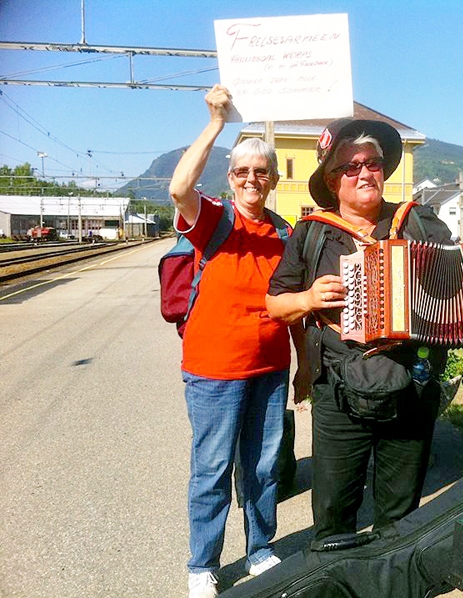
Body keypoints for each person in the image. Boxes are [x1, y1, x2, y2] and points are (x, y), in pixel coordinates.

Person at [266, 118, 463, 542]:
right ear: (331, 181)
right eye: (350, 166)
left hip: (411, 388)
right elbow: (275, 304)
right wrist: (308, 299)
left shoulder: (418, 221)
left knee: (400, 513)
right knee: (333, 508)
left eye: (373, 163)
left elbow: (461, 283)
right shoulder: (312, 233)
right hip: (339, 392)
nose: (365, 172)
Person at [169, 84, 308, 598]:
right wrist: (215, 124)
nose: (253, 179)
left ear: (273, 178)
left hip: (270, 368)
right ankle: (202, 564)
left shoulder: (283, 231)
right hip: (213, 370)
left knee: (264, 467)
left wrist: (305, 363)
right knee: (212, 469)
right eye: (243, 171)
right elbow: (180, 187)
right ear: (230, 179)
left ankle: (259, 550)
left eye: (262, 171)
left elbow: (292, 303)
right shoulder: (213, 220)